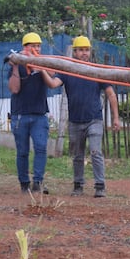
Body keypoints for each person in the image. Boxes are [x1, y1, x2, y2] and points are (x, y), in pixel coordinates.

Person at [52, 36, 120, 197]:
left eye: (86, 50)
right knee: (77, 155)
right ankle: (78, 185)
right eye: (81, 50)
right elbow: (53, 84)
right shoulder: (66, 70)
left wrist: (116, 118)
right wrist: (43, 71)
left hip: (94, 119)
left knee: (96, 152)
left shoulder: (96, 70)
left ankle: (100, 186)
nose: (84, 53)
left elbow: (111, 94)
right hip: (75, 121)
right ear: (74, 52)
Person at [8, 32, 56, 194]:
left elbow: (52, 79)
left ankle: (38, 182)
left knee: (41, 148)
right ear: (24, 48)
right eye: (32, 46)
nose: (36, 49)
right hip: (20, 114)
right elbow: (14, 89)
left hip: (39, 114)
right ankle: (24, 183)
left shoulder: (44, 63)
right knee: (22, 151)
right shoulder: (18, 64)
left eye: (38, 46)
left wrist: (40, 67)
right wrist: (15, 65)